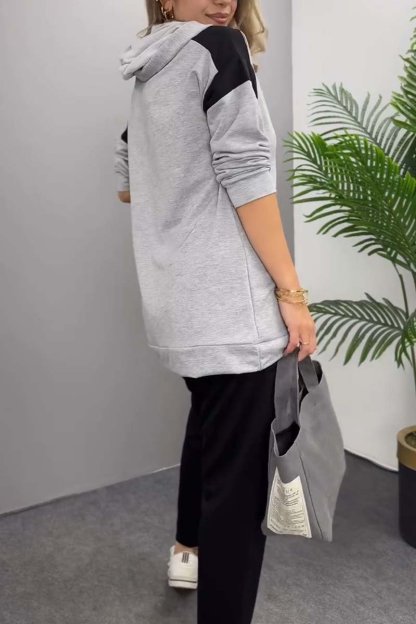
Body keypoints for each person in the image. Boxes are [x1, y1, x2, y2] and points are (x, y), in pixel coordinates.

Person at [114, 1, 317, 622]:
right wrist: (292, 293)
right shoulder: (218, 49)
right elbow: (248, 175)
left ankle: (187, 547)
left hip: (179, 304)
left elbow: (127, 175)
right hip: (231, 306)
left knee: (209, 426)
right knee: (238, 497)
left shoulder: (151, 65)